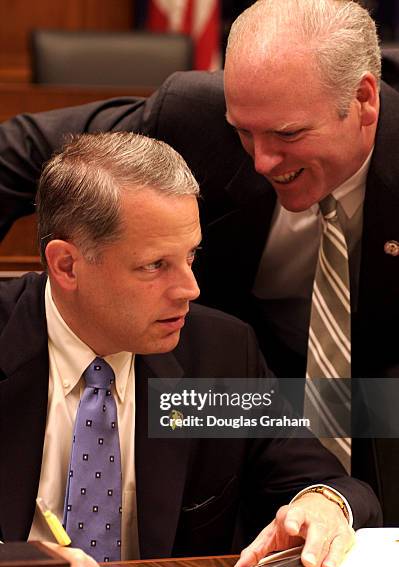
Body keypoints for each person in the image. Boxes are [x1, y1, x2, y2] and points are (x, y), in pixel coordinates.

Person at [0, 0, 397, 519]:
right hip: (198, 380)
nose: (260, 161)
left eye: (288, 134)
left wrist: (330, 499)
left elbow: (329, 480)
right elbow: (20, 154)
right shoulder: (194, 117)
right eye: (244, 132)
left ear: (363, 99)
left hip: (366, 392)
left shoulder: (225, 351)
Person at [0, 132, 380, 567]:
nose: (190, 288)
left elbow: (333, 484)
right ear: (67, 265)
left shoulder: (216, 355)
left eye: (191, 256)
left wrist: (324, 504)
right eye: (155, 265)